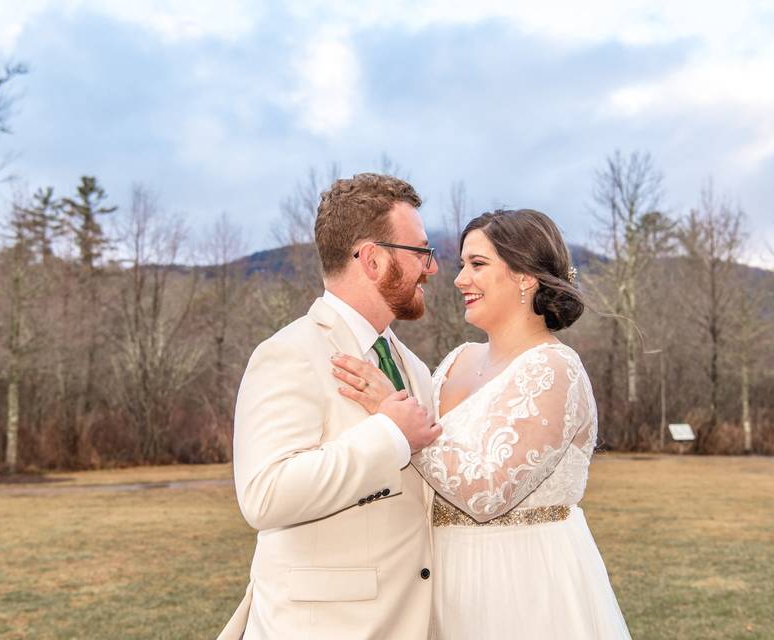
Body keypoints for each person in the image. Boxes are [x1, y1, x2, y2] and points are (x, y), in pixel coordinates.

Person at [333, 209, 632, 639]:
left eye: (477, 264)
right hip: (438, 581)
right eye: (461, 266)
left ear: (526, 276)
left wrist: (400, 425)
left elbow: (488, 492)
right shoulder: (456, 360)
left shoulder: (554, 368)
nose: (459, 279)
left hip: (523, 584)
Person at [218, 173, 442, 640]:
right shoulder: (288, 353)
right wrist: (389, 436)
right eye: (421, 252)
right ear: (374, 260)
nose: (432, 268)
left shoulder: (415, 367)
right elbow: (265, 495)